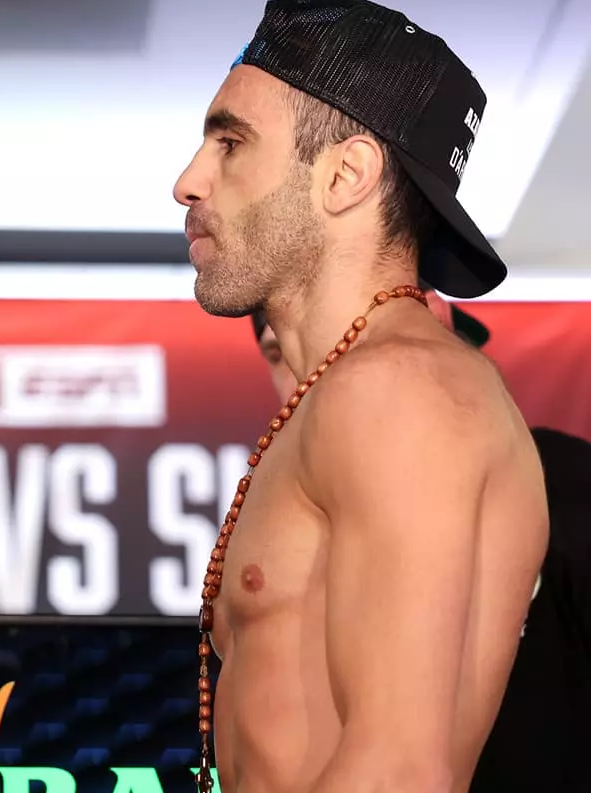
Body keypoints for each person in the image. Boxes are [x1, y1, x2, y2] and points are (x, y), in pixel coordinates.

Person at [173, 0, 549, 793]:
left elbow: (400, 771)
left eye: (230, 143)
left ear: (345, 175)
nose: (188, 180)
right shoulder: (339, 392)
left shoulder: (399, 389)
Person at [249, 293, 591, 793]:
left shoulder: (562, 481)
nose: (306, 369)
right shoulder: (275, 533)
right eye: (278, 353)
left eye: (343, 340)